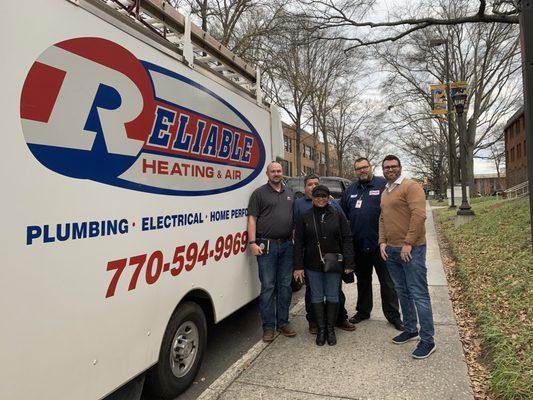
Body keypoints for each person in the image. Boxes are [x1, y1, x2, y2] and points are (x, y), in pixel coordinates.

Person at [379, 155, 437, 359]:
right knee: (402, 291)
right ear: (383, 169)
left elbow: (419, 215)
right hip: (393, 251)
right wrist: (382, 241)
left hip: (412, 250)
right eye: (386, 167)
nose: (390, 169)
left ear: (400, 167)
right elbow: (383, 218)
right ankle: (411, 328)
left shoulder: (410, 186)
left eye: (394, 166)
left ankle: (428, 339)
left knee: (419, 293)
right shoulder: (386, 191)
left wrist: (408, 243)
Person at [340, 158, 402, 331]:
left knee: (388, 283)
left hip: (382, 245)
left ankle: (393, 316)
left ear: (370, 167)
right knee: (363, 280)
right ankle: (363, 311)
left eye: (365, 167)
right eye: (358, 168)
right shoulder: (350, 191)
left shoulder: (384, 186)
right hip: (359, 245)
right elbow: (342, 216)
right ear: (355, 171)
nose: (362, 171)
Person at [293, 174, 356, 334]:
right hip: (312, 262)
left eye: (323, 196)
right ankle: (318, 327)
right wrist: (298, 266)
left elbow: (347, 237)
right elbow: (298, 242)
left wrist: (349, 263)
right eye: (316, 195)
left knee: (334, 294)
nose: (320, 198)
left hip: (334, 261)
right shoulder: (302, 212)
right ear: (310, 195)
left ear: (329, 197)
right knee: (315, 295)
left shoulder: (336, 211)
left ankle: (333, 326)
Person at [247, 161, 296, 342]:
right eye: (273, 171)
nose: (276, 174)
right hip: (266, 246)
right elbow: (252, 219)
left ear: (282, 173)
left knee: (285, 286)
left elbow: (293, 218)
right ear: (267, 174)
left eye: (279, 171)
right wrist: (252, 242)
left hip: (287, 246)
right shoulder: (258, 194)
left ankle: (283, 323)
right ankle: (268, 327)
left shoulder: (290, 193)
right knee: (268, 287)